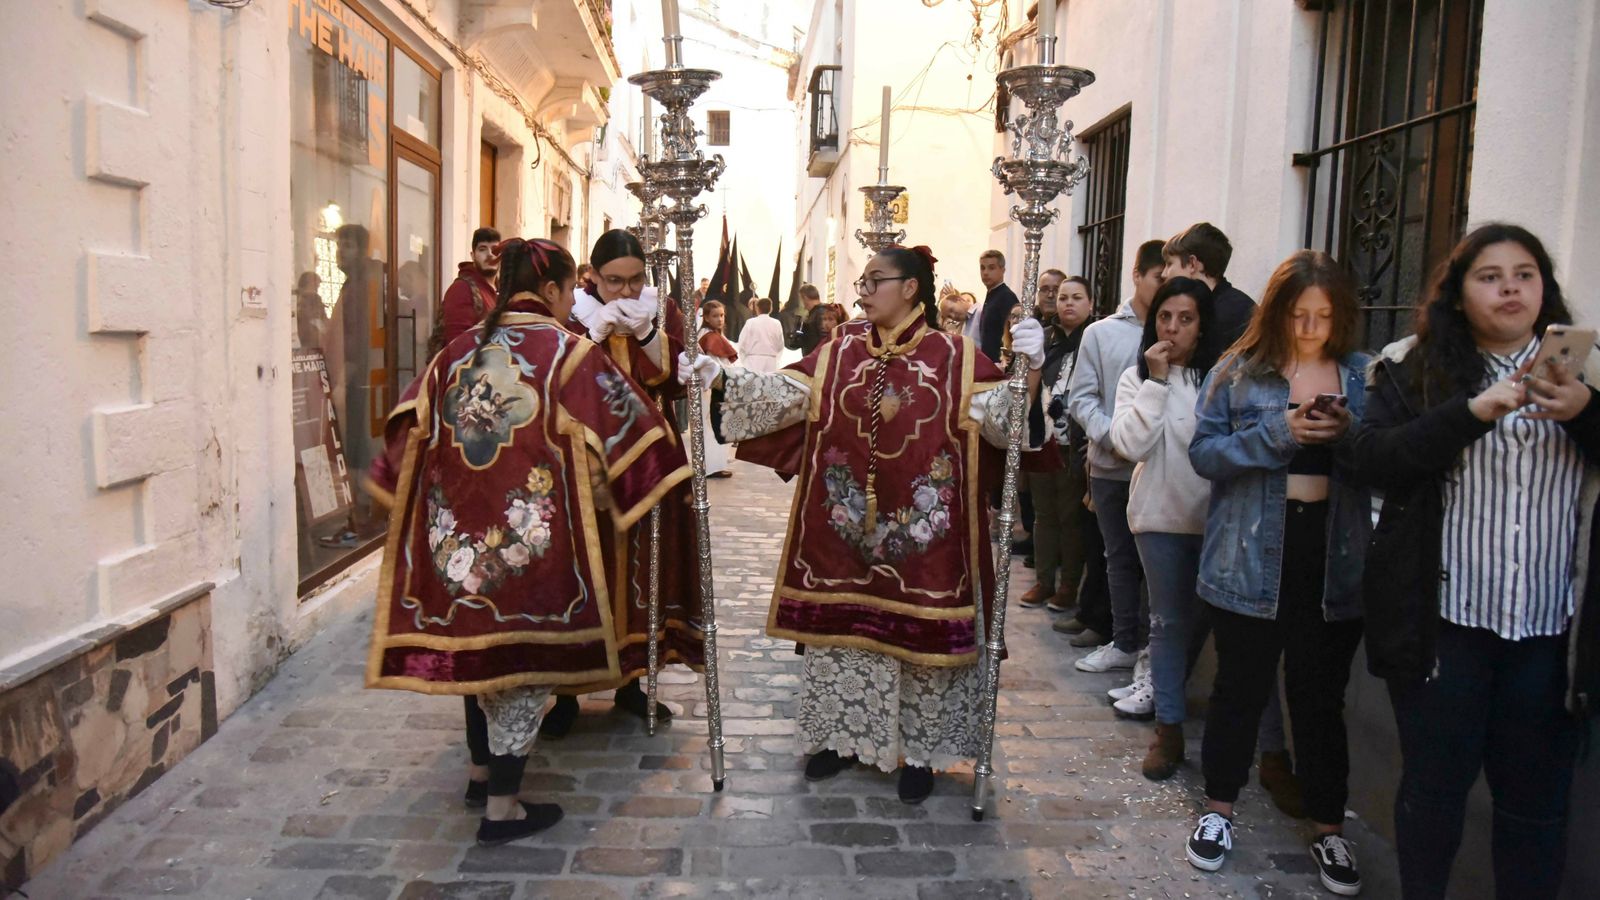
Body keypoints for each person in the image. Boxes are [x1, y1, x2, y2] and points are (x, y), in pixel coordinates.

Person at [365, 237, 690, 846]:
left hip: (455, 547)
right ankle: (502, 810)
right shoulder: (570, 354)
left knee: (474, 660)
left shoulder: (453, 355)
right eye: (571, 291)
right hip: (528, 545)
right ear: (551, 291)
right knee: (518, 667)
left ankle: (478, 773)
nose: (573, 303)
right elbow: (644, 439)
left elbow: (398, 443)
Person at [702, 245, 1045, 803]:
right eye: (861, 281)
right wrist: (719, 378)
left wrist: (1026, 377)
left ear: (911, 288)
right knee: (844, 641)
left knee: (922, 651)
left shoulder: (955, 357)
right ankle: (840, 739)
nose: (862, 291)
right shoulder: (839, 353)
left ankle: (922, 755)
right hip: (846, 540)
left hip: (927, 545)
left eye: (874, 280)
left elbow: (1008, 433)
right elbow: (781, 394)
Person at [1353, 223, 1600, 900]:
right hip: (1446, 626)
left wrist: (1584, 413)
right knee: (1433, 798)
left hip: (1551, 634)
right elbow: (1373, 458)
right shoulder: (1414, 367)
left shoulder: (1592, 372)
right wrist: (1471, 412)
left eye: (1524, 273)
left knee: (1535, 811)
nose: (1510, 288)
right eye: (1490, 276)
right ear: (1459, 296)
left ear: (1544, 287)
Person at [1183, 250, 1372, 897]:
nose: (1312, 327)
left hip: (1330, 559)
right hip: (1248, 554)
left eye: (1324, 315)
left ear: (1340, 316)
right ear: (1278, 313)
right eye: (1300, 315)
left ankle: (1327, 827)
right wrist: (1280, 432)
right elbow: (1204, 454)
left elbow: (1383, 460)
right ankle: (1218, 811)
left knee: (1320, 700)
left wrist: (1347, 431)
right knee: (1240, 689)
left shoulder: (1361, 375)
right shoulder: (1239, 372)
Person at [541, 229, 702, 737]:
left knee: (644, 569)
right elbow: (554, 380)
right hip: (584, 460)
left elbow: (678, 381)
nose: (626, 292)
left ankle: (636, 684)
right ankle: (565, 694)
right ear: (592, 277)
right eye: (614, 282)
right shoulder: (569, 317)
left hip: (649, 456)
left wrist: (652, 337)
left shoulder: (662, 311)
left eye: (635, 280)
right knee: (581, 569)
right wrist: (590, 341)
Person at [1106, 277, 1220, 774]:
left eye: (1186, 318)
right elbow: (1130, 443)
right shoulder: (1138, 380)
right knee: (1169, 626)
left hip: (1218, 521)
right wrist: (1156, 381)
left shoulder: (1220, 379)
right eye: (1164, 317)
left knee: (1216, 628)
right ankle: (1168, 731)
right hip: (1161, 520)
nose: (1173, 328)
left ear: (1203, 325)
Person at [1065, 240, 1165, 673]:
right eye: (1159, 277)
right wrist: (1114, 437)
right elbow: (1081, 399)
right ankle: (1123, 640)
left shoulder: (1179, 328)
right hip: (1112, 467)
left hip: (1163, 469)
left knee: (1159, 565)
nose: (1165, 286)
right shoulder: (1102, 333)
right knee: (1118, 558)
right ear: (1138, 275)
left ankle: (1153, 652)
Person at [1020, 272, 1093, 612]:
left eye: (1076, 297)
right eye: (1063, 297)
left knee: (1070, 518)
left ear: (1090, 304)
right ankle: (1044, 581)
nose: (1067, 303)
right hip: (1042, 438)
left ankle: (1067, 586)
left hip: (1072, 442)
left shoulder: (1093, 340)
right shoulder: (1044, 340)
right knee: (1043, 515)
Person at [1161, 222, 1256, 347]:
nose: (1164, 274)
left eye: (1169, 264)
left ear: (1192, 264)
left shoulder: (1228, 314)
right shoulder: (1225, 305)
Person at [432, 227, 500, 353]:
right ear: (473, 255)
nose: (490, 254)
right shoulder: (462, 289)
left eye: (495, 249)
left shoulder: (502, 292)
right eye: (482, 249)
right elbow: (457, 345)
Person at [695, 300, 738, 478]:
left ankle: (715, 464)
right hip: (711, 387)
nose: (720, 319)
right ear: (705, 317)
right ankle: (712, 466)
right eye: (715, 316)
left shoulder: (712, 334)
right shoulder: (709, 336)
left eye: (721, 315)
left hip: (714, 386)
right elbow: (715, 364)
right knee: (712, 425)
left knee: (714, 424)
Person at [977, 249, 1018, 363]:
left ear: (1002, 270)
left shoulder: (1006, 297)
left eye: (991, 268)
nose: (985, 272)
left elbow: (1011, 336)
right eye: (982, 268)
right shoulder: (992, 295)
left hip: (999, 367)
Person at [739, 297, 786, 374]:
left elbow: (742, 343)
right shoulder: (776, 323)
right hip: (771, 362)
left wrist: (743, 360)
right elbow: (780, 345)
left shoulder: (750, 322)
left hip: (753, 362)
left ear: (757, 308)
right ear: (771, 308)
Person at [793, 283, 827, 355]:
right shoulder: (814, 313)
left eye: (801, 299)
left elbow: (824, 339)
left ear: (805, 298)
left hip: (816, 358)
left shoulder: (821, 313)